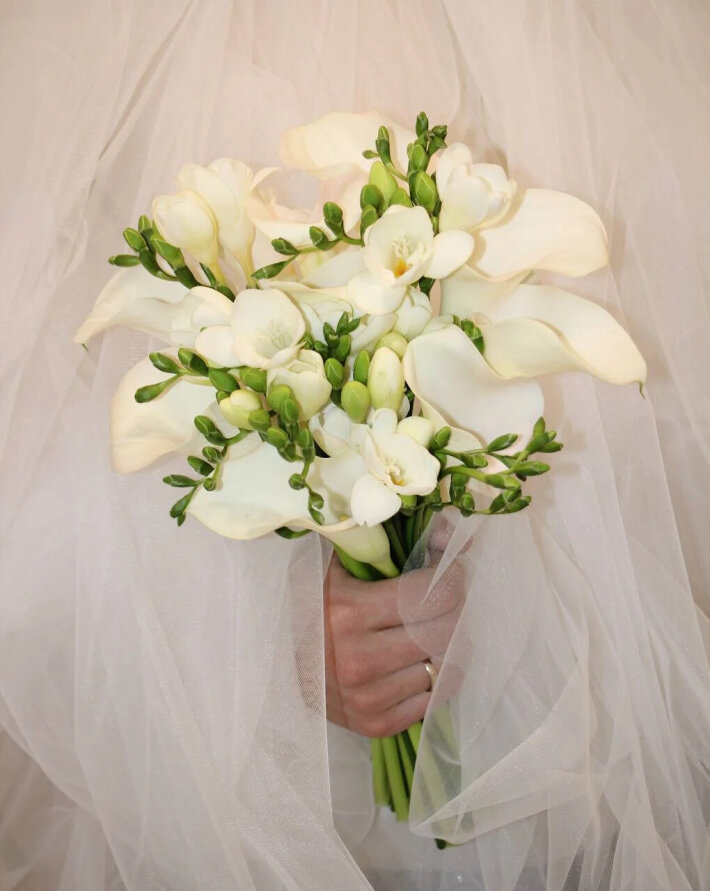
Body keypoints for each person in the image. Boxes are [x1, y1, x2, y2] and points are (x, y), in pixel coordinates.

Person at [1, 2, 709, 889]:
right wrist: (270, 637)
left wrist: (506, 579)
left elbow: (674, 390)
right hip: (232, 786)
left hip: (544, 751)